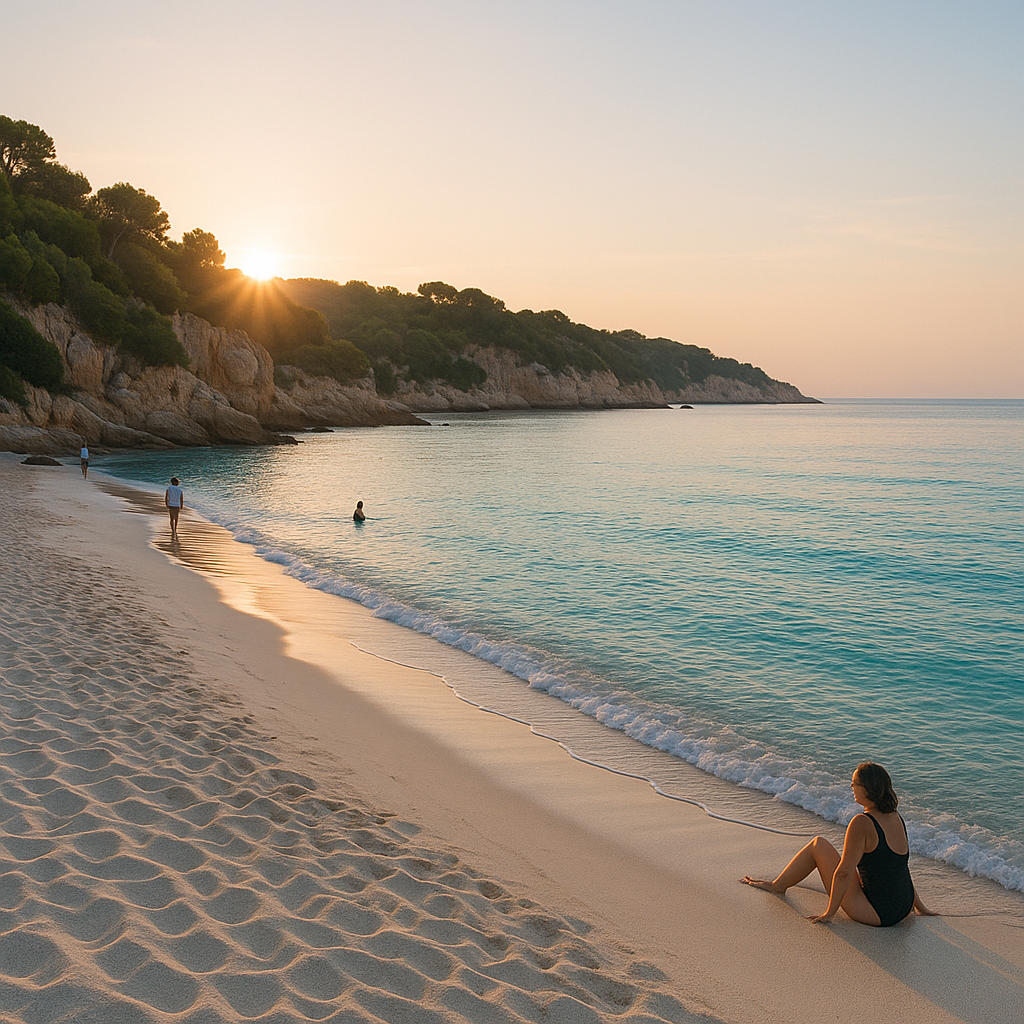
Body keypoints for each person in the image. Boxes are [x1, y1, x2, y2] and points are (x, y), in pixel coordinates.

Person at [741, 762, 938, 926]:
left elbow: (844, 873)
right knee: (844, 857)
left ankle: (777, 886)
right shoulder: (896, 816)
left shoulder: (861, 822)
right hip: (902, 908)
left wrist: (829, 913)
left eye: (854, 783)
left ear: (867, 789)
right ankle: (778, 885)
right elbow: (900, 866)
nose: (851, 787)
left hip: (877, 914)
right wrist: (919, 905)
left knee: (818, 845)